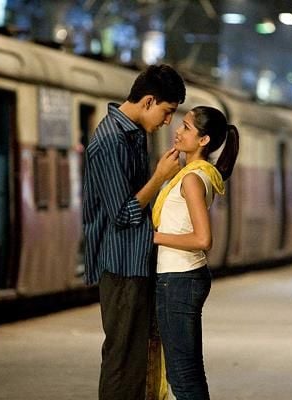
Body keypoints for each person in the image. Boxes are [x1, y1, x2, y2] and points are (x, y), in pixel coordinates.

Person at [82, 64, 186, 400]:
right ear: (149, 101)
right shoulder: (111, 141)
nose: (168, 122)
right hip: (121, 264)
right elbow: (123, 214)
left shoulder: (132, 134)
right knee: (122, 357)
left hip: (135, 262)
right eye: (167, 112)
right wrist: (160, 177)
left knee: (136, 356)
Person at [152, 106, 239, 399]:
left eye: (187, 127)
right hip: (180, 278)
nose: (178, 130)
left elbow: (203, 238)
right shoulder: (194, 174)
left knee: (183, 374)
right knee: (184, 371)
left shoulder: (192, 178)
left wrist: (153, 237)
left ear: (203, 140)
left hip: (180, 279)